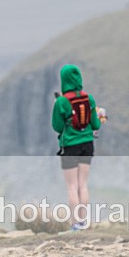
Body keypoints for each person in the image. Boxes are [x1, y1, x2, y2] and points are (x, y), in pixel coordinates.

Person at [51, 64, 102, 231]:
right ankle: (84, 221)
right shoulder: (89, 99)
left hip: (70, 146)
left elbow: (57, 127)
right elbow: (95, 124)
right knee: (83, 184)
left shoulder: (61, 101)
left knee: (72, 186)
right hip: (87, 144)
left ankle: (75, 224)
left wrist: (58, 107)